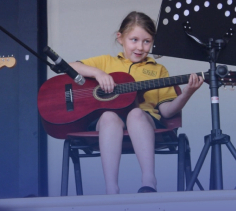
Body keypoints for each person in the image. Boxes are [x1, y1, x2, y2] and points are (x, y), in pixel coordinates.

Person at [69, 11, 204, 195]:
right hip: (107, 125)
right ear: (120, 38)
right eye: (134, 40)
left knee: (136, 113)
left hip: (145, 122)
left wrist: (187, 93)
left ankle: (149, 181)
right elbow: (70, 68)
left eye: (146, 41)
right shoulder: (106, 62)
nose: (140, 47)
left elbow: (166, 111)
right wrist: (98, 73)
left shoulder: (158, 70)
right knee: (109, 116)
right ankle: (111, 188)